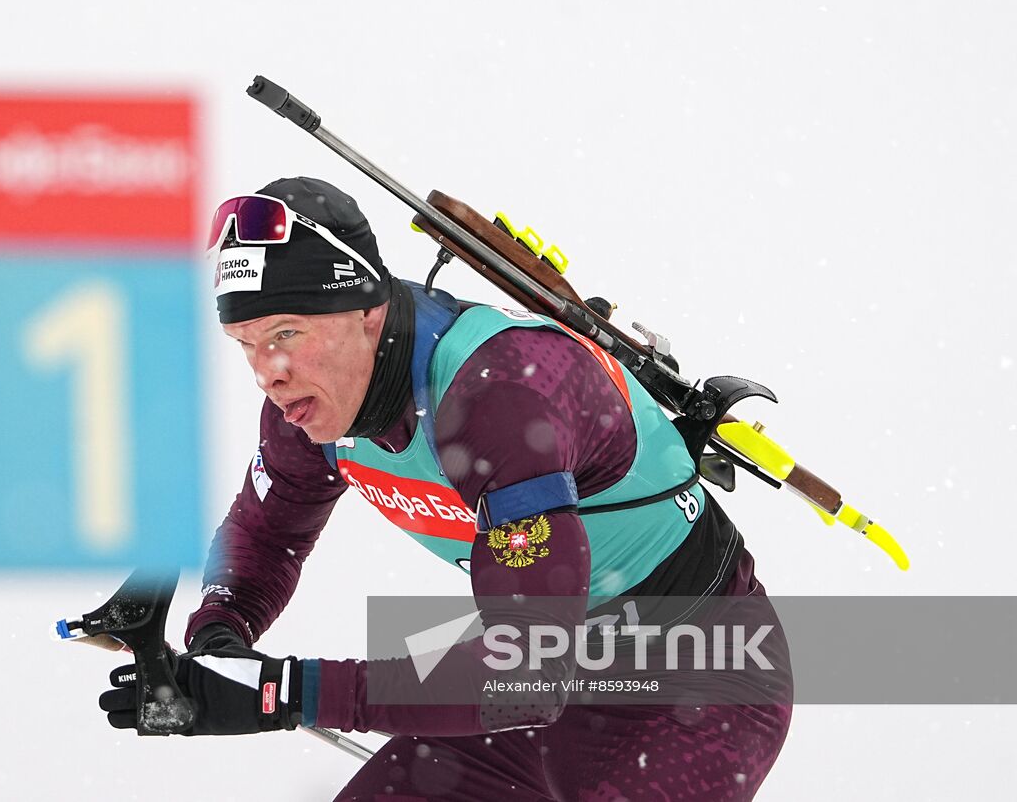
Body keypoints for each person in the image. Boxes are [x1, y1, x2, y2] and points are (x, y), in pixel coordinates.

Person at [98, 176, 792, 800]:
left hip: (698, 686)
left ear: (366, 313)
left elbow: (526, 670)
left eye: (286, 333)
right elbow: (266, 534)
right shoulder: (309, 409)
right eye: (246, 343)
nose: (267, 372)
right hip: (536, 702)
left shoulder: (501, 394)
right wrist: (220, 638)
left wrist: (281, 692)